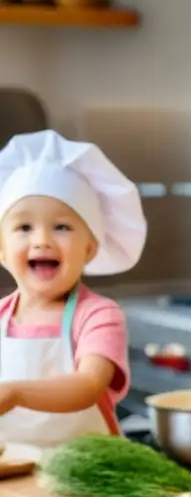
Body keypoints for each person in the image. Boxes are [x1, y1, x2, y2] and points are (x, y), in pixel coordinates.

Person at [0, 130, 145, 449]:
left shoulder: (98, 315)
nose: (42, 240)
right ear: (1, 250)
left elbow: (89, 384)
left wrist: (15, 393)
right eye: (24, 227)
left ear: (90, 249)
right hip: (12, 474)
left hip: (86, 475)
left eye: (61, 227)